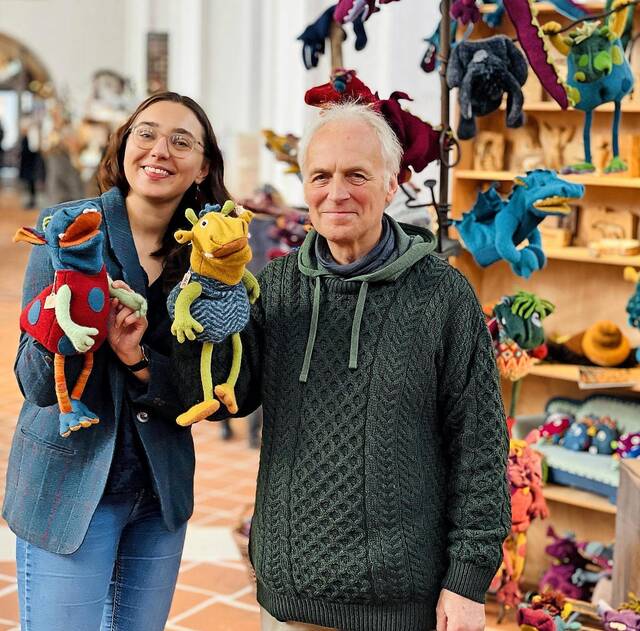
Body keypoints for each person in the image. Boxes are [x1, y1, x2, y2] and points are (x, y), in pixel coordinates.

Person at [175, 101, 511, 631]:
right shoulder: (276, 287)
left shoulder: (443, 296)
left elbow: (480, 444)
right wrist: (208, 308)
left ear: (392, 184)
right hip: (290, 591)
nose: (337, 193)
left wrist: (467, 582)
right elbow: (222, 397)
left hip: (404, 601)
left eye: (357, 175)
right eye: (321, 176)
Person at [4, 91, 230, 631]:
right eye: (146, 133)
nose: (159, 150)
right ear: (125, 145)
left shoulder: (212, 256)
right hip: (68, 487)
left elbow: (213, 386)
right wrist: (67, 327)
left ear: (203, 167)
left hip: (157, 493)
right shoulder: (69, 229)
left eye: (181, 141)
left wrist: (137, 358)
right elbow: (35, 384)